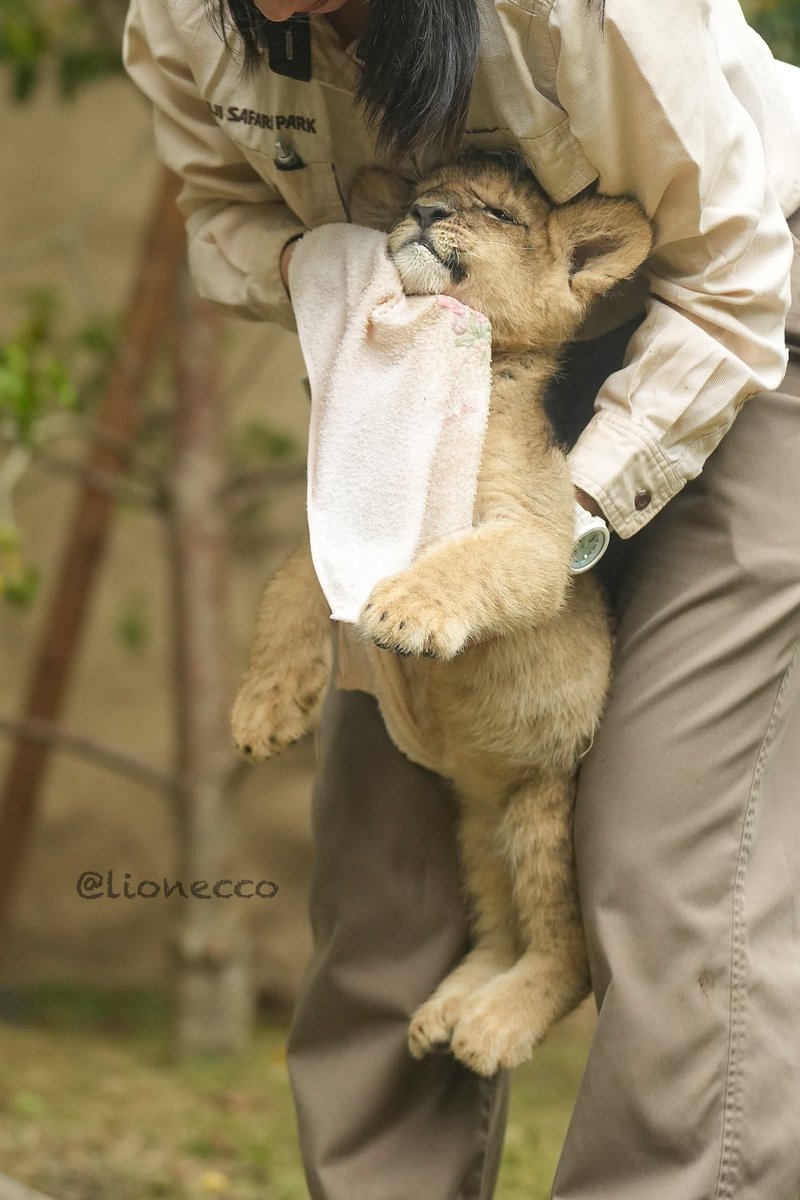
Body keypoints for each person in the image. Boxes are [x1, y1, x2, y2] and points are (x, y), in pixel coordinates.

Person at [122, 0, 800, 1195]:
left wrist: (544, 525)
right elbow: (218, 211)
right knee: (389, 882)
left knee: (663, 872)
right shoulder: (178, 18)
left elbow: (734, 279)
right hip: (457, 358)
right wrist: (337, 276)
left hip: (740, 327)